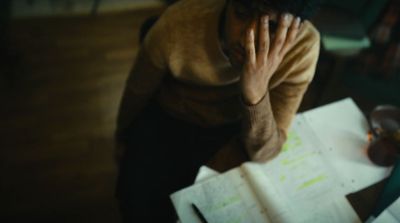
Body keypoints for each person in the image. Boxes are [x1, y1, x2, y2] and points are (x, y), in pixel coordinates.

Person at [115, 0, 321, 221]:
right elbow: (136, 94)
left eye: (271, 27)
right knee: (138, 201)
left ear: (296, 29)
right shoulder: (177, 24)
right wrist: (122, 136)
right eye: (242, 13)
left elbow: (266, 152)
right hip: (170, 116)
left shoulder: (303, 48)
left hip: (231, 130)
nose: (248, 39)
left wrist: (256, 93)